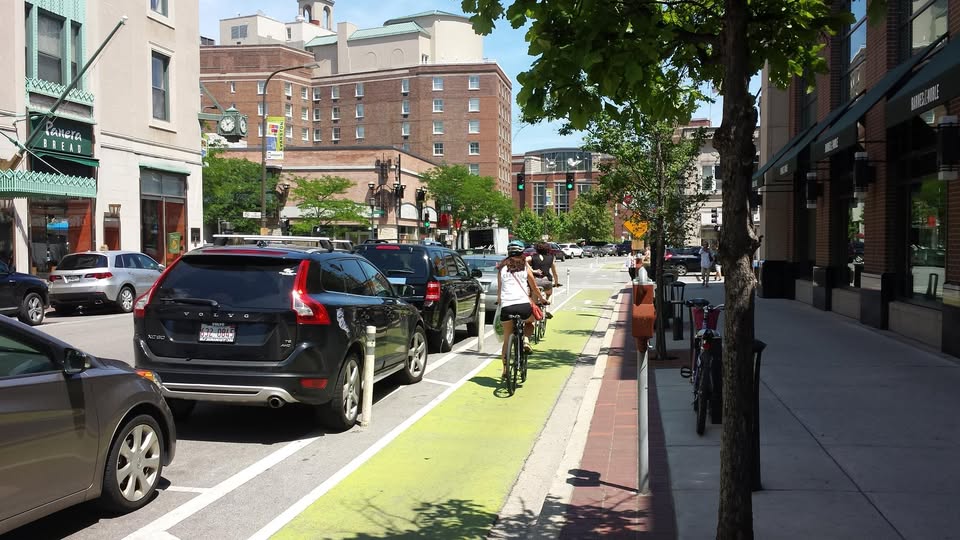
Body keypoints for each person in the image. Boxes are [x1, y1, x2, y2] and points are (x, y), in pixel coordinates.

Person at [497, 240, 548, 378]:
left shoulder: (501, 268)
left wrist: (499, 302)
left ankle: (505, 370)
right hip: (523, 305)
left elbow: (499, 291)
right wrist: (542, 299)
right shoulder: (525, 267)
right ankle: (525, 339)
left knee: (507, 338)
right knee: (530, 323)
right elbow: (534, 287)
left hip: (507, 307)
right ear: (522, 252)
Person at [529, 242, 560, 316]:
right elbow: (555, 273)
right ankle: (547, 309)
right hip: (546, 281)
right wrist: (556, 283)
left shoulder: (532, 257)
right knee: (549, 294)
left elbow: (524, 260)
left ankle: (535, 312)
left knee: (534, 296)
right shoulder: (551, 258)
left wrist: (532, 270)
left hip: (535, 282)